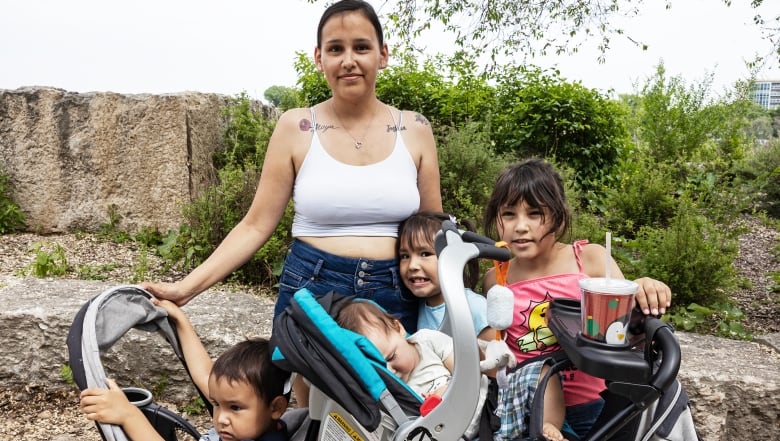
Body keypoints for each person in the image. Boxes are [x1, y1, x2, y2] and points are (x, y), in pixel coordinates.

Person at [141, 0, 441, 406]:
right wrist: (185, 289)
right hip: (311, 290)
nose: (348, 60)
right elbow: (255, 225)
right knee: (305, 416)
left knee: (397, 415)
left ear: (383, 55)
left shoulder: (415, 128)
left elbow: (433, 232)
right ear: (319, 58)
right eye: (335, 49)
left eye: (361, 47)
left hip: (393, 295)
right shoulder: (296, 128)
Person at [482, 158, 673, 439]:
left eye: (534, 214)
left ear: (559, 216)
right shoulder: (497, 277)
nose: (520, 226)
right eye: (509, 214)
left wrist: (643, 287)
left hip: (596, 406)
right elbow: (495, 345)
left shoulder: (589, 259)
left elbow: (630, 323)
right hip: (528, 409)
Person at [336, 299, 567, 441]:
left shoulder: (426, 340)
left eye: (392, 357)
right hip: (455, 432)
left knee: (543, 371)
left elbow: (466, 373)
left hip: (492, 402)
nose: (391, 370)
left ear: (398, 328)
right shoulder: (393, 387)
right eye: (381, 368)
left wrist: (447, 389)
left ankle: (548, 425)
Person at [79, 300, 291, 441]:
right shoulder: (259, 426)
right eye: (217, 404)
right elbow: (204, 376)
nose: (221, 419)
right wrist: (180, 322)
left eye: (234, 407)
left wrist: (128, 415)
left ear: (276, 408)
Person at [397, 211, 495, 340]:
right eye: (405, 256)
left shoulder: (474, 307)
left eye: (425, 254)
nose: (412, 265)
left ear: (452, 258)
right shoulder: (416, 306)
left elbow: (496, 356)